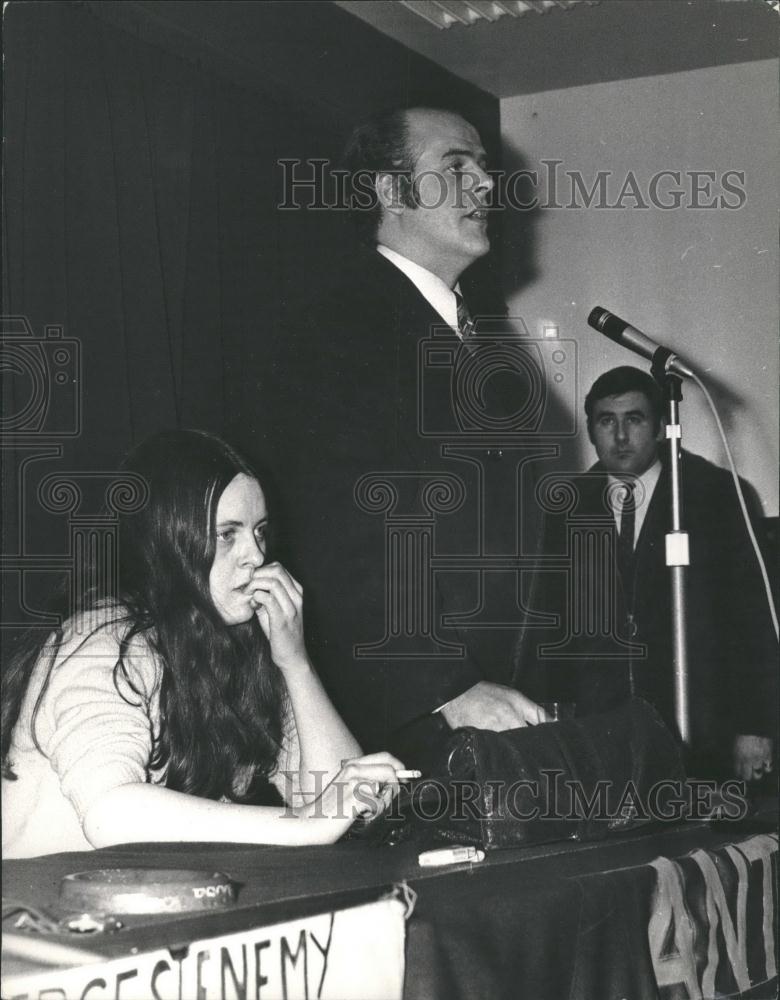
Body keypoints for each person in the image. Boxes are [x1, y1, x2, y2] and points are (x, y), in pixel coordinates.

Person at [254, 107, 545, 762]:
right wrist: (443, 689)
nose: (487, 186)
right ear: (391, 191)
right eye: (455, 165)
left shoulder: (483, 344)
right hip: (416, 716)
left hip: (502, 702)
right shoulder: (334, 331)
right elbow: (344, 534)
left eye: (484, 167)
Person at [1, 430, 405, 859]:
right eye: (227, 534)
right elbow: (110, 812)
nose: (255, 555)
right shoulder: (101, 639)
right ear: (168, 541)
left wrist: (295, 663)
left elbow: (338, 804)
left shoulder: (232, 644)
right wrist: (309, 821)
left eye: (259, 531)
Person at [516, 366, 777, 780]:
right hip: (600, 736)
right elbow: (549, 627)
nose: (620, 437)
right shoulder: (566, 507)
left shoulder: (717, 494)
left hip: (700, 732)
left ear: (659, 428)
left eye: (634, 420)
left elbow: (753, 623)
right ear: (590, 431)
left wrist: (756, 727)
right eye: (607, 421)